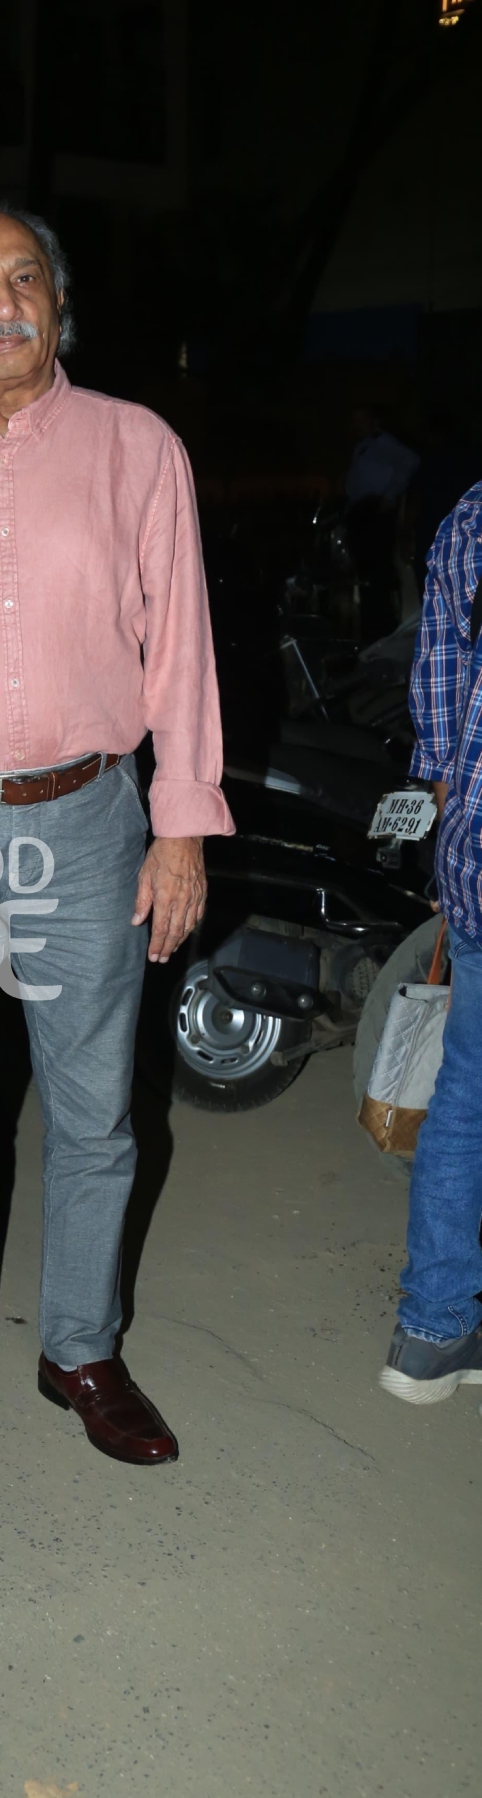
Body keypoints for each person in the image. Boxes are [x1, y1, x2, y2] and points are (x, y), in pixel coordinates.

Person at [0, 199, 234, 1469]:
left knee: (95, 1112)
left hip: (87, 819)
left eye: (25, 279)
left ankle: (79, 1343)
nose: (3, 304)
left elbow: (181, 647)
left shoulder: (140, 447)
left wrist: (180, 823)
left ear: (59, 303)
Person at [379, 479, 482, 1403]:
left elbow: (439, 714)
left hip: (479, 854)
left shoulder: (471, 518)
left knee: (466, 1091)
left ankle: (431, 1328)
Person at [344, 404, 420, 642]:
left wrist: (389, 495)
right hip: (361, 513)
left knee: (376, 574)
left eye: (361, 420)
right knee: (367, 575)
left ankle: (382, 629)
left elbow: (410, 461)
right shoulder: (363, 447)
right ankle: (373, 628)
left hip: (374, 514)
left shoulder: (383, 443)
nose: (357, 426)